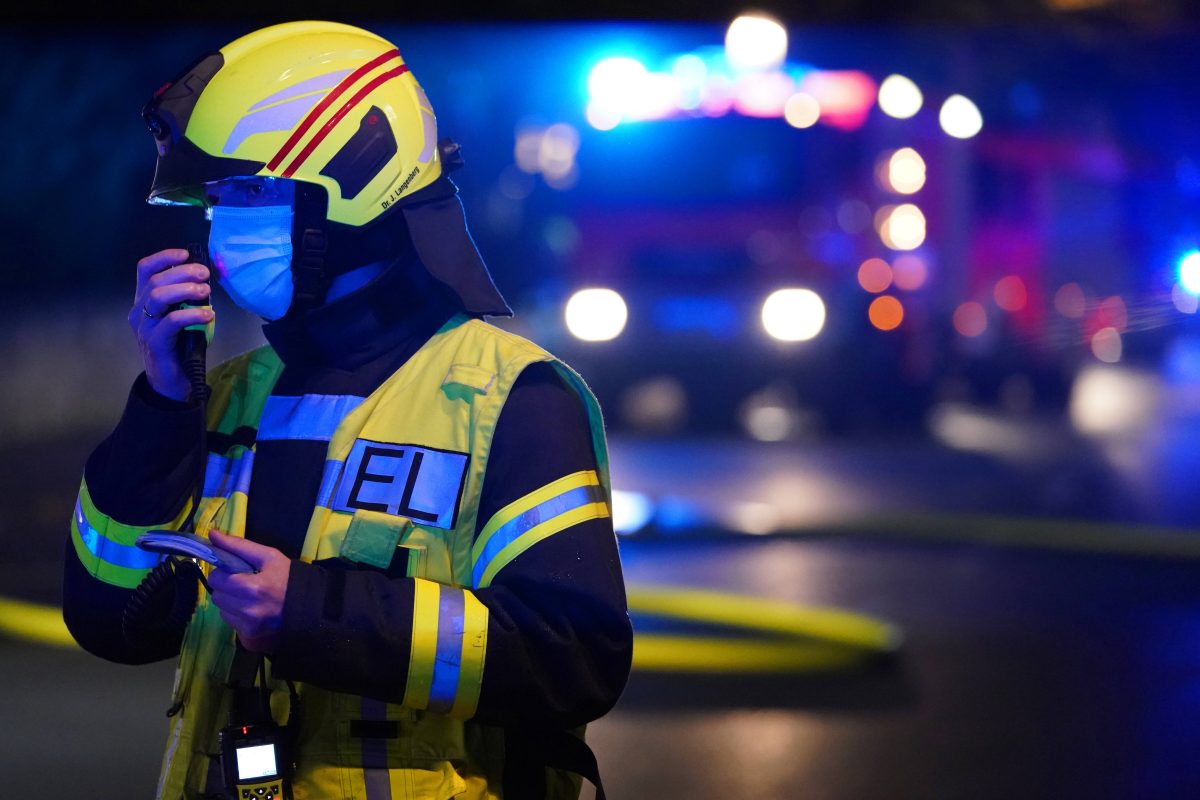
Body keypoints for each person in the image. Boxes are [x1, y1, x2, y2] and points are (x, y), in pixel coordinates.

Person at [61, 20, 633, 800]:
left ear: (353, 188)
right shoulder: (221, 393)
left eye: (250, 193)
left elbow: (574, 655)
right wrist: (161, 406)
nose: (222, 225)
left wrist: (310, 613)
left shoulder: (512, 400)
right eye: (218, 199)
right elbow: (108, 620)